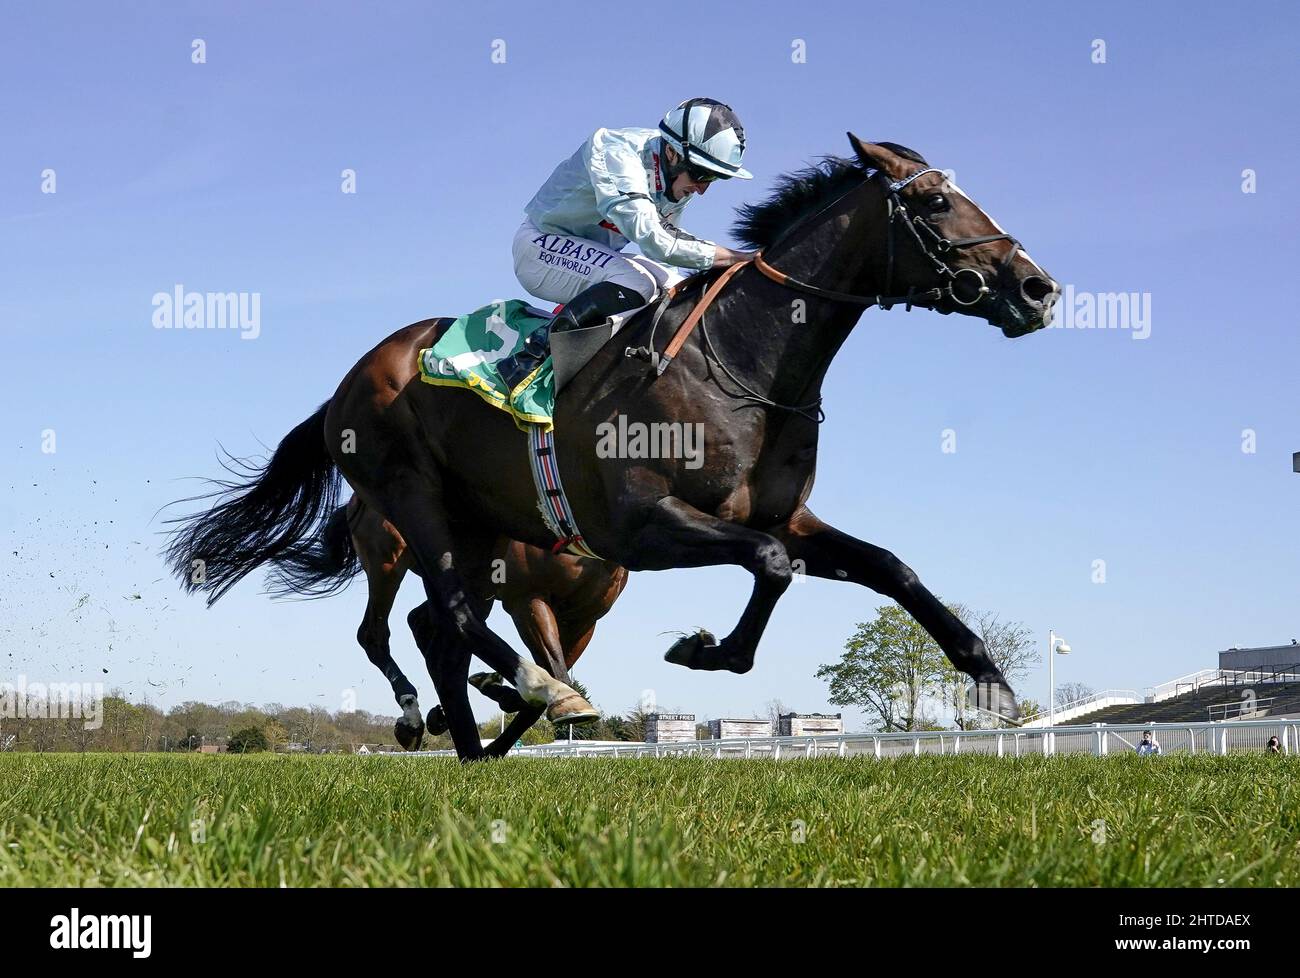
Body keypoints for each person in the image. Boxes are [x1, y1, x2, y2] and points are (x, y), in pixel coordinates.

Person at [498, 98, 757, 391]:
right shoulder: (618, 153)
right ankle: (525, 363)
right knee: (636, 283)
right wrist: (738, 257)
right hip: (540, 246)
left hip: (593, 257)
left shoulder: (675, 175)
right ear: (672, 152)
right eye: (703, 174)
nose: (703, 189)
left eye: (716, 177)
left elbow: (672, 247)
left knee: (676, 285)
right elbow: (658, 242)